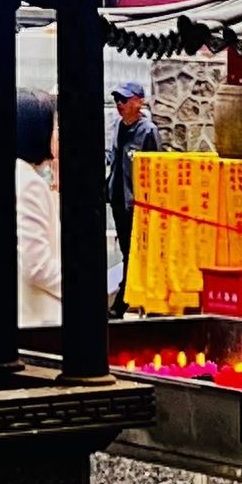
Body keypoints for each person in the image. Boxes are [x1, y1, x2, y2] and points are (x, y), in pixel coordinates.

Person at [106, 80, 161, 316]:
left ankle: (124, 301)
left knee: (135, 252)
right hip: (118, 200)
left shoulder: (148, 131)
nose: (120, 104)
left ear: (139, 102)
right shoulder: (118, 126)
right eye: (118, 99)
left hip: (136, 203)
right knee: (127, 251)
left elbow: (156, 168)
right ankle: (125, 298)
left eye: (125, 100)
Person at [14, 89, 61, 328]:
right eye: (53, 128)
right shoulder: (29, 183)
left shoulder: (20, 175)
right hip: (39, 315)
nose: (57, 135)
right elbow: (37, 265)